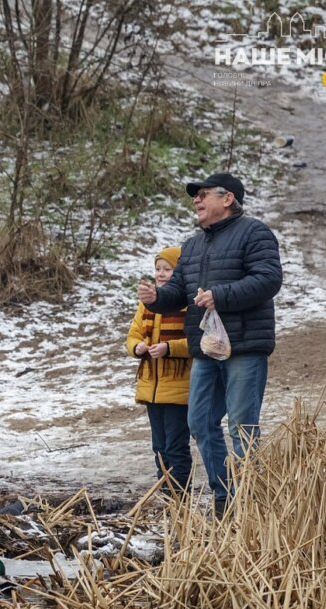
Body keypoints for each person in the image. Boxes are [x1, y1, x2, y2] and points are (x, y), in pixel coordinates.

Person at [136, 173, 282, 519]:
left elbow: (268, 279)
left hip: (244, 346)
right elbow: (179, 293)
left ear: (227, 198)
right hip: (205, 349)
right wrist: (157, 298)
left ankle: (251, 501)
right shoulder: (193, 244)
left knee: (242, 428)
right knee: (200, 422)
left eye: (202, 195)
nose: (196, 201)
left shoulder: (255, 232)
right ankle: (225, 497)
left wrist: (221, 296)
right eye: (195, 196)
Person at [126, 246, 192, 495]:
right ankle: (166, 495)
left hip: (178, 387)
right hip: (151, 386)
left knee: (176, 447)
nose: (161, 274)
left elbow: (198, 343)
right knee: (159, 447)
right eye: (158, 269)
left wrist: (169, 348)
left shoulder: (186, 304)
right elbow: (131, 336)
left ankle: (178, 497)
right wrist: (138, 347)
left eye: (168, 269)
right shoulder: (146, 305)